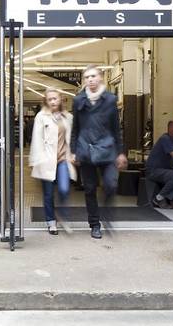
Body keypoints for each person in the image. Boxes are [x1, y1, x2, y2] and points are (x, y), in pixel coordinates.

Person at [70, 65, 127, 239]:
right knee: (89, 189)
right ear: (84, 81)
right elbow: (75, 129)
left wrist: (120, 152)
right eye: (87, 77)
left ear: (101, 77)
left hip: (107, 149)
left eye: (93, 76)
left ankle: (107, 214)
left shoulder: (110, 100)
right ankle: (94, 224)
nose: (90, 80)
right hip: (86, 150)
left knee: (111, 185)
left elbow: (116, 129)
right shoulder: (79, 100)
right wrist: (73, 151)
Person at [29, 88, 76, 235]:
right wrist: (37, 159)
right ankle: (51, 222)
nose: (53, 101)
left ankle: (62, 215)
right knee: (48, 194)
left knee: (64, 189)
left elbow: (72, 138)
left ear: (61, 99)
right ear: (46, 101)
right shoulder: (41, 117)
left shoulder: (68, 117)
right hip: (47, 160)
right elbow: (36, 139)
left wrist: (74, 154)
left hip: (63, 159)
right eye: (50, 99)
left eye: (55, 98)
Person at [145, 121, 173, 209]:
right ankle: (159, 198)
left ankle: (169, 198)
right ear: (170, 129)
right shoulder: (165, 139)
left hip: (162, 170)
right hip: (154, 171)